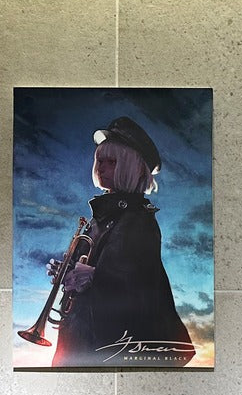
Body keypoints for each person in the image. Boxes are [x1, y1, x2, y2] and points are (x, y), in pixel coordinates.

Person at [49, 116, 193, 366]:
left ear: (132, 167)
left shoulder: (139, 219)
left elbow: (140, 282)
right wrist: (66, 273)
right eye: (100, 161)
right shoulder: (98, 219)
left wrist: (93, 276)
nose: (101, 168)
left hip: (110, 342)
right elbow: (88, 271)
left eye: (112, 162)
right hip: (80, 337)